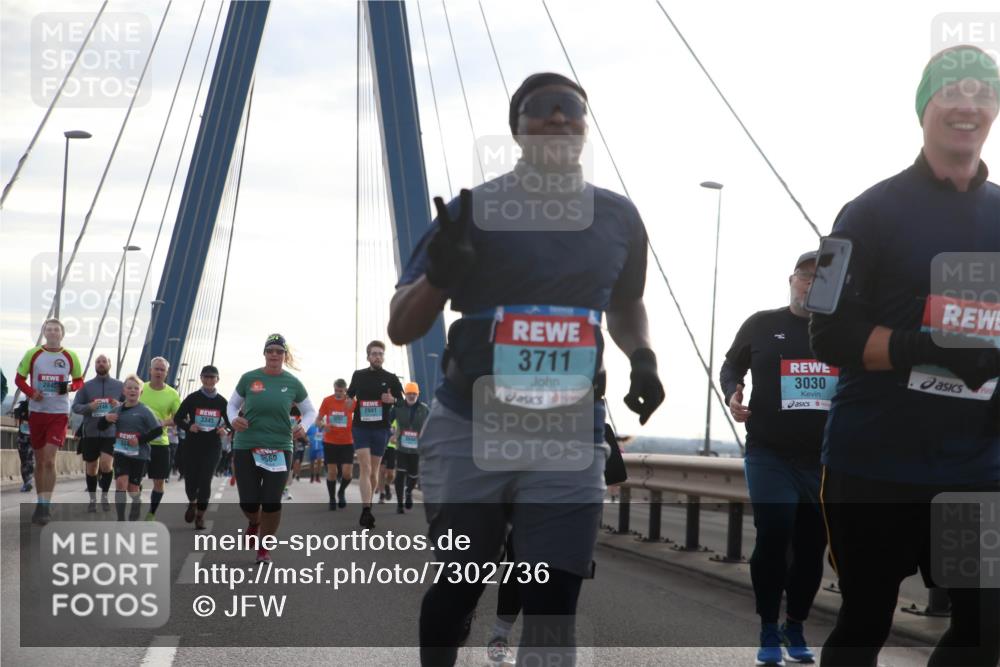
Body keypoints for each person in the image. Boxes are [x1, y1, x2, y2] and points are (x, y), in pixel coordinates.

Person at [387, 72, 663, 666]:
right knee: (461, 582)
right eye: (543, 109)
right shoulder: (469, 212)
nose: (560, 119)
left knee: (553, 593)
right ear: (518, 129)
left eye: (573, 109)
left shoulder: (618, 217)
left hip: (568, 430)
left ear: (586, 128)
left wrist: (642, 357)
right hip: (469, 425)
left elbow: (625, 302)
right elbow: (401, 327)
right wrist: (440, 275)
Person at [810, 45, 1000, 666]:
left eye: (982, 90)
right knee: (865, 621)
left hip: (974, 470)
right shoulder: (866, 212)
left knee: (984, 627)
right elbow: (829, 336)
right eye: (950, 89)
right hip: (875, 463)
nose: (966, 102)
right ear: (924, 107)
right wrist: (930, 348)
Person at [720, 251, 832, 665]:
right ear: (792, 279)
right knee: (774, 530)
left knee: (810, 546)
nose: (812, 283)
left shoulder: (839, 331)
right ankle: (768, 626)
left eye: (822, 278)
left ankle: (796, 624)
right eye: (806, 275)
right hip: (770, 452)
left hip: (823, 459)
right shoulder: (762, 324)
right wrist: (733, 393)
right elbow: (731, 366)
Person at [226, 334, 316, 563]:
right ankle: (254, 523)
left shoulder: (293, 382)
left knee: (272, 501)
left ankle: (264, 549)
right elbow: (232, 404)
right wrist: (233, 419)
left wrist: (302, 427)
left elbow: (310, 411)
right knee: (248, 501)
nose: (274, 354)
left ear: (285, 355)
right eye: (271, 350)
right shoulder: (249, 378)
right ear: (264, 353)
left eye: (279, 351)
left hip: (279, 447)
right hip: (247, 445)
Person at [15, 318, 83, 525]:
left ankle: (45, 505)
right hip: (37, 412)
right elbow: (19, 378)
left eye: (56, 330)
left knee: (49, 460)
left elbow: (79, 381)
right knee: (39, 460)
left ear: (62, 334)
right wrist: (30, 393)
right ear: (44, 332)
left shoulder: (70, 356)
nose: (53, 333)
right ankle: (40, 500)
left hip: (59, 413)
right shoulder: (33, 354)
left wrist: (69, 388)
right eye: (49, 329)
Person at [347, 340, 403, 529]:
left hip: (381, 429)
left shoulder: (392, 378)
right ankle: (366, 510)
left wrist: (393, 399)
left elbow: (402, 404)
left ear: (383, 357)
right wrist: (348, 402)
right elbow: (350, 395)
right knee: (365, 466)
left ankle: (368, 503)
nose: (377, 356)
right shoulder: (358, 375)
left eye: (380, 354)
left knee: (373, 470)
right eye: (374, 354)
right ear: (368, 356)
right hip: (361, 427)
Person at [175, 365, 231, 530]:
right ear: (201, 378)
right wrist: (188, 426)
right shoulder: (192, 398)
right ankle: (192, 502)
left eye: (212, 377)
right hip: (192, 445)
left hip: (212, 446)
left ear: (217, 380)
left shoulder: (222, 401)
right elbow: (178, 418)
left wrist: (225, 429)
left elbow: (231, 423)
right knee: (191, 480)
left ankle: (200, 516)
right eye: (206, 377)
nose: (209, 380)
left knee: (205, 479)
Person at [101, 374, 162, 521]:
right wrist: (105, 419)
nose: (132, 390)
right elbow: (101, 427)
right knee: (121, 483)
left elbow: (158, 431)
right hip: (121, 452)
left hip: (139, 455)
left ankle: (136, 500)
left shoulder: (145, 411)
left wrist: (139, 440)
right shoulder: (117, 409)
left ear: (141, 392)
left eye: (136, 388)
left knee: (133, 489)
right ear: (124, 391)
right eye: (129, 388)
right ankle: (121, 519)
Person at [71, 354, 123, 512]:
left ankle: (105, 496)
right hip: (91, 432)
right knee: (92, 467)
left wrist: (119, 404)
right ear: (95, 365)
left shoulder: (120, 386)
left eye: (104, 361)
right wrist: (89, 407)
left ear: (109, 364)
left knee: (107, 465)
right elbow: (75, 407)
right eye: (98, 362)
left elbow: (129, 406)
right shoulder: (86, 387)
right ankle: (92, 499)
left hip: (110, 432)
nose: (101, 364)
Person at [140, 357, 181, 521]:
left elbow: (178, 418)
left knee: (159, 483)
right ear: (150, 370)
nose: (158, 372)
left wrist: (163, 422)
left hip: (161, 444)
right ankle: (137, 499)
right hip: (140, 443)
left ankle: (151, 513)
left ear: (167, 373)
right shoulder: (140, 388)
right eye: (156, 369)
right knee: (133, 484)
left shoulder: (172, 394)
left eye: (162, 370)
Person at [390, 381, 429, 514]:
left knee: (413, 475)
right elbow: (387, 421)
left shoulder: (424, 409)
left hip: (417, 449)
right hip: (401, 447)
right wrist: (390, 433)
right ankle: (400, 504)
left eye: (414, 394)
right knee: (400, 474)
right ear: (405, 394)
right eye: (409, 393)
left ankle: (408, 491)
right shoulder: (398, 407)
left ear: (418, 394)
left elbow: (432, 426)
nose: (411, 396)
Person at [316, 379, 355, 510]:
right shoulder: (327, 401)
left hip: (347, 442)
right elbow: (318, 420)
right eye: (336, 390)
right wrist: (323, 425)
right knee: (332, 472)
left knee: (347, 474)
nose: (338, 393)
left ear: (345, 390)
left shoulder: (350, 402)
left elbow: (360, 416)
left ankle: (341, 491)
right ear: (333, 388)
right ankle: (332, 498)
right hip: (330, 442)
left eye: (341, 391)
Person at [13, 400, 35, 492]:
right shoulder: (21, 405)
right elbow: (16, 419)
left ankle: (28, 481)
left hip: (33, 437)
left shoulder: (39, 406)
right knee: (24, 459)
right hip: (22, 437)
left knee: (30, 459)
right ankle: (27, 481)